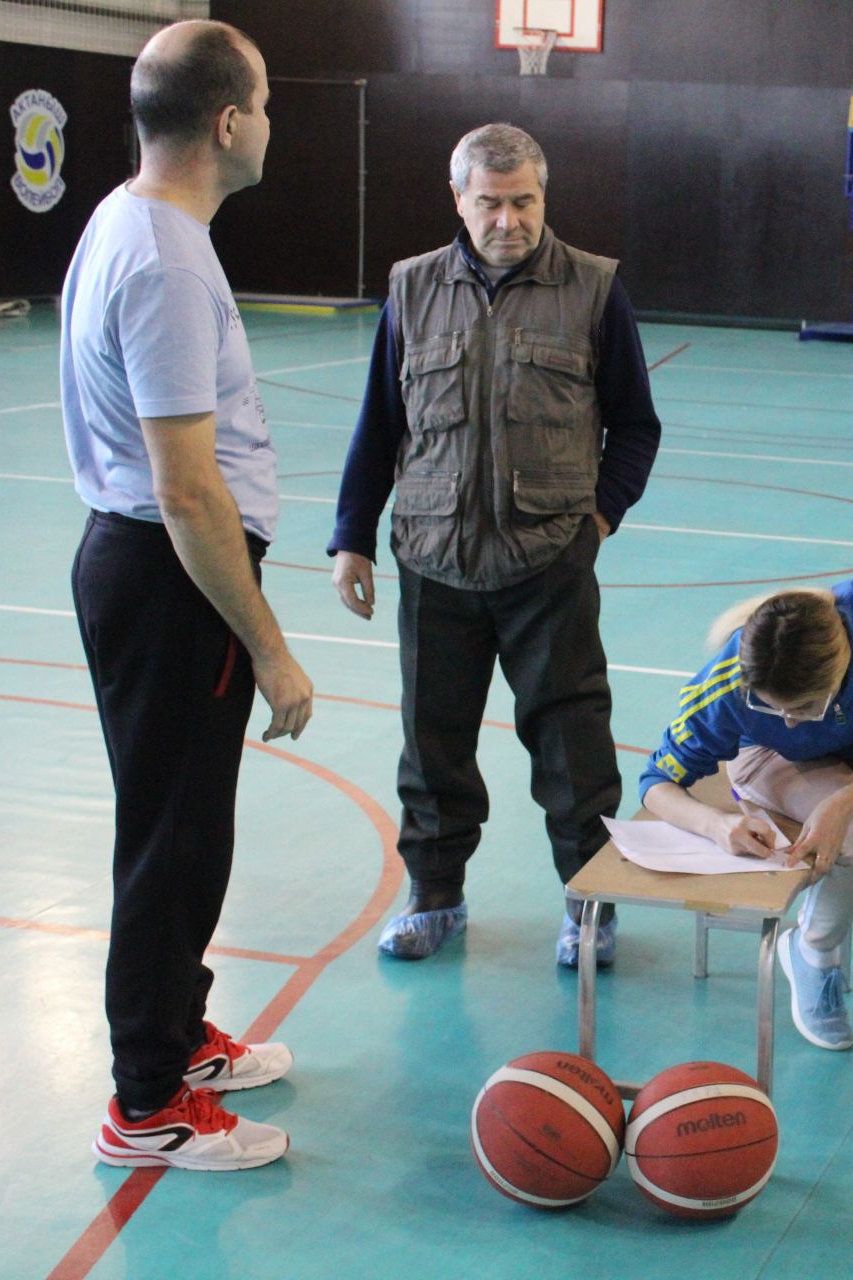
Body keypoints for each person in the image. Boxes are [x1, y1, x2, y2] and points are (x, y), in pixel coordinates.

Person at [63, 19, 311, 1171]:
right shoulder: (162, 257)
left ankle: (175, 1033)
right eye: (262, 103)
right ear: (227, 123)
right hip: (172, 582)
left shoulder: (135, 218)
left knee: (184, 828)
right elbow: (187, 487)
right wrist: (268, 645)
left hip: (152, 574)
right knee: (171, 843)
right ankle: (148, 1100)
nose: (269, 121)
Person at [327, 123, 662, 967]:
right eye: (491, 203)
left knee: (572, 740)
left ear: (543, 198)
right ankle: (435, 898)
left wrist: (600, 519)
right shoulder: (410, 291)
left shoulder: (592, 289)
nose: (508, 220)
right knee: (431, 742)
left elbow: (635, 426)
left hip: (548, 559)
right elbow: (378, 426)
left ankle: (590, 902)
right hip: (434, 559)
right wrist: (351, 538)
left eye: (524, 202)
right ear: (459, 201)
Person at [637, 577, 853, 1138]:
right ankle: (812, 949)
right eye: (774, 706)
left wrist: (846, 798)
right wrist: (718, 824)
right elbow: (656, 781)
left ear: (841, 674)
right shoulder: (733, 682)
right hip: (774, 759)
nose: (790, 716)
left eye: (803, 707)